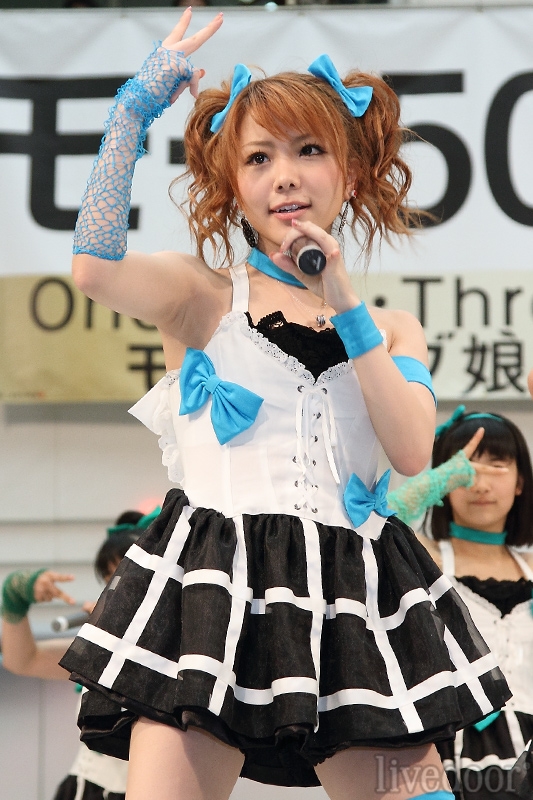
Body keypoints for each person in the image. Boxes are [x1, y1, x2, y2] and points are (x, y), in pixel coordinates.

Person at [60, 10, 510, 800]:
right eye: (259, 157)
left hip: (356, 598)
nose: (285, 176)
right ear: (234, 185)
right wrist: (133, 109)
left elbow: (411, 451)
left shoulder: (390, 327)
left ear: (352, 175)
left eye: (309, 151)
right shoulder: (202, 295)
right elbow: (94, 270)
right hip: (213, 587)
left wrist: (344, 300)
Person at [411, 407, 533, 800]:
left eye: (497, 464)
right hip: (448, 751)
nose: (479, 483)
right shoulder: (418, 557)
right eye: (463, 468)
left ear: (520, 481)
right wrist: (430, 482)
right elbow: (358, 532)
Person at [0, 509, 158, 800]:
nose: (116, 588)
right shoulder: (100, 649)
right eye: (110, 578)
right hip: (85, 789)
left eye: (129, 576)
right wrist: (15, 595)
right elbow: (22, 659)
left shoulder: (187, 655)